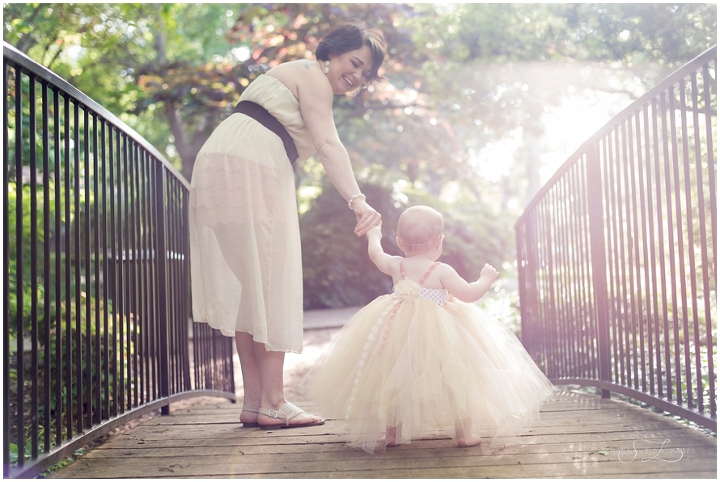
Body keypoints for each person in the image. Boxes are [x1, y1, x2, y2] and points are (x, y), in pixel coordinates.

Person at [189, 21, 385, 429]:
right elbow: (329, 144)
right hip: (253, 164)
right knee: (272, 280)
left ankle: (256, 401)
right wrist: (358, 201)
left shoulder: (293, 74)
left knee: (253, 286)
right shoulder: (313, 75)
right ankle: (275, 401)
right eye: (355, 62)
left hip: (219, 162)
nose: (357, 76)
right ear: (331, 53)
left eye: (366, 73)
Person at [305, 206, 555, 453]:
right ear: (439, 242)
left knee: (394, 374)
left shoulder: (396, 264)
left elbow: (375, 254)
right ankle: (464, 434)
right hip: (442, 335)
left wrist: (374, 235)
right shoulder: (441, 270)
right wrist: (486, 279)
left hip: (397, 331)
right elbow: (468, 294)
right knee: (458, 378)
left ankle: (392, 433)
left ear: (400, 242)